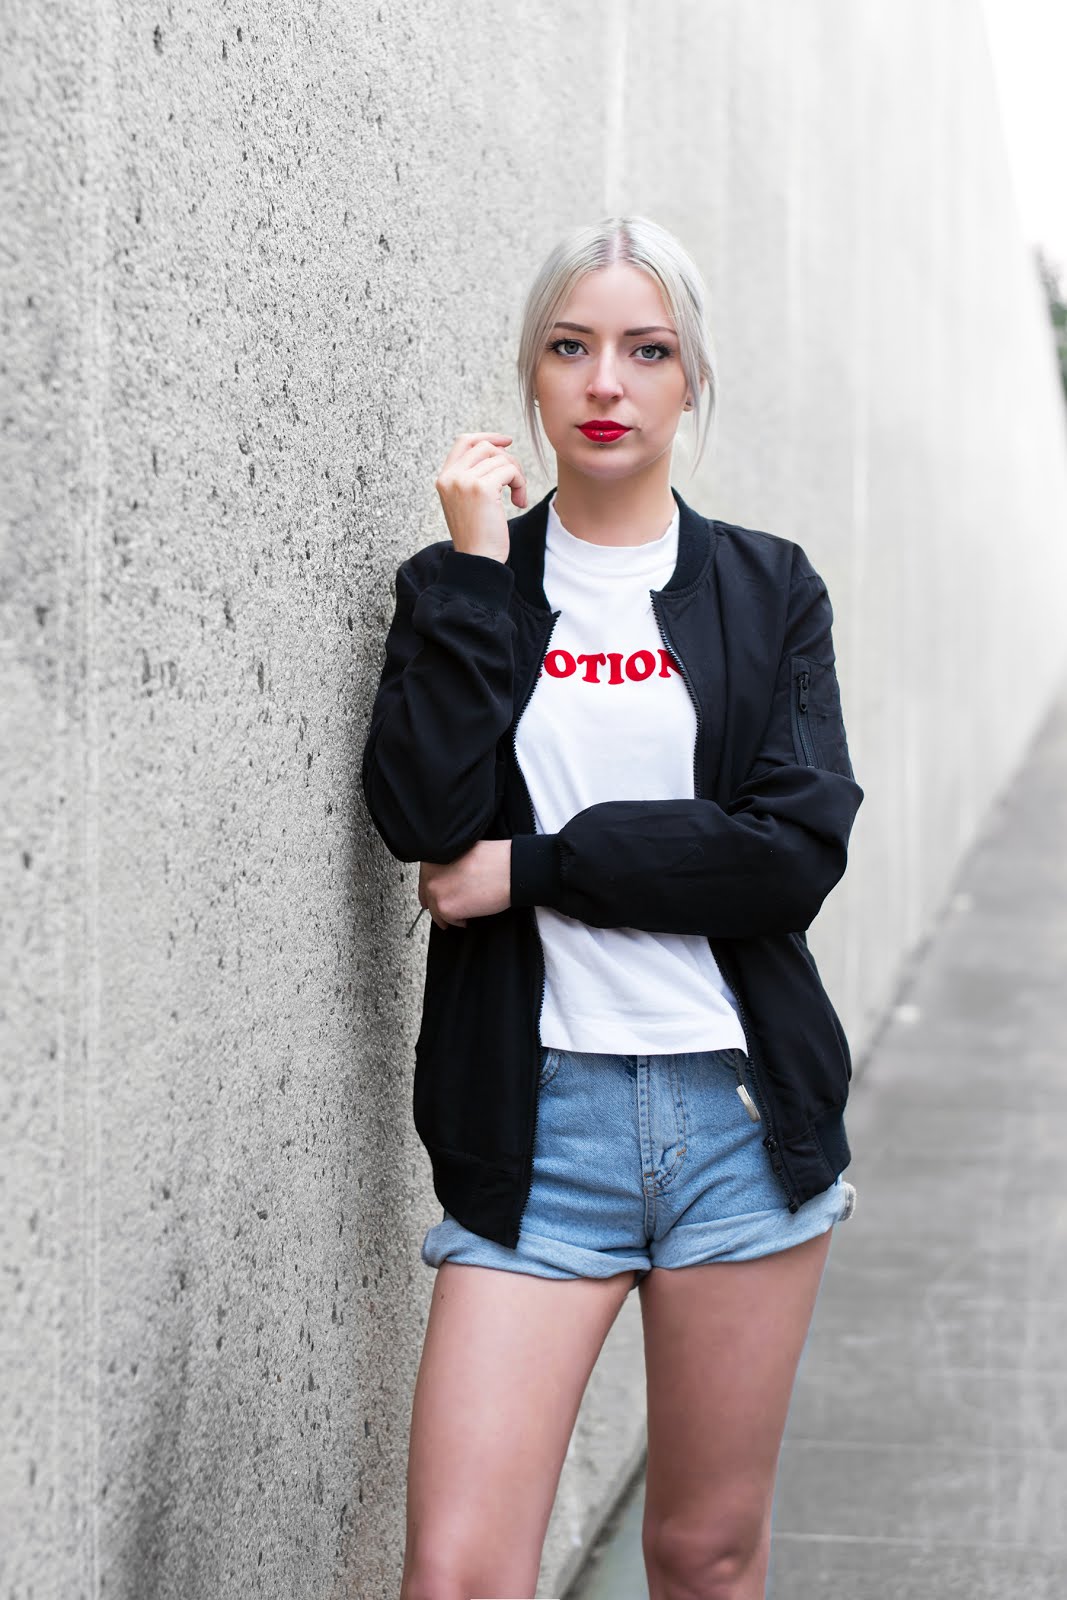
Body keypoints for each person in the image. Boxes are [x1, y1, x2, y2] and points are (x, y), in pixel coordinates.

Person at [361, 214, 864, 1600]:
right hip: (540, 1130)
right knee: (460, 1573)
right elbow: (420, 813)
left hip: (740, 1128)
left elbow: (788, 849)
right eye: (571, 347)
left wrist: (536, 868)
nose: (606, 383)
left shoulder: (768, 592)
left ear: (690, 378)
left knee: (704, 1554)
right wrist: (469, 576)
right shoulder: (467, 589)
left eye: (647, 351)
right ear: (531, 370)